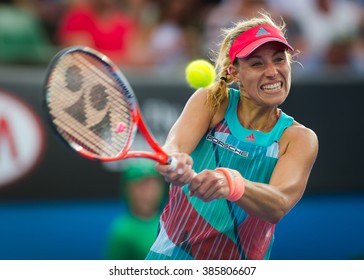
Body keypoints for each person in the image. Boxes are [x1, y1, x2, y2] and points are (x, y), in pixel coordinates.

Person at [145, 13, 318, 260]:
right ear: (234, 73)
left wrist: (232, 183)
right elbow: (175, 147)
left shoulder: (299, 138)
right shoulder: (212, 101)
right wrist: (176, 161)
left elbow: (279, 203)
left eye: (279, 60)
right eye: (257, 64)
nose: (272, 72)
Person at [105, 159, 166, 260]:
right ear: (127, 190)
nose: (149, 193)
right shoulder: (122, 232)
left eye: (153, 186)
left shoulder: (172, 223)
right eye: (141, 187)